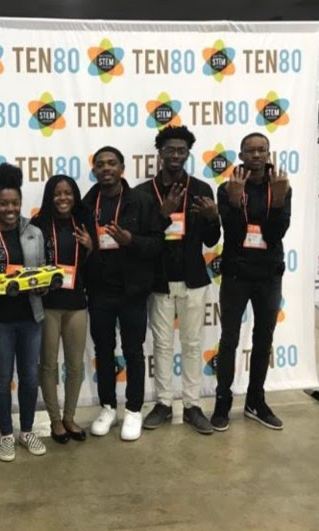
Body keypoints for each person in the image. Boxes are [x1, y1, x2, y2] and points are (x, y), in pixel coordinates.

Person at [137, 126, 221, 435]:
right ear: (159, 153)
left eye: (181, 150)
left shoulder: (201, 189)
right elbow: (142, 239)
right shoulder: (143, 193)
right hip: (158, 280)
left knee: (192, 343)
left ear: (187, 153)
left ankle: (191, 405)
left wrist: (213, 217)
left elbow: (212, 241)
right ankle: (162, 402)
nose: (175, 155)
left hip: (193, 279)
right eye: (170, 150)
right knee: (160, 344)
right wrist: (163, 214)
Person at [82, 146, 164, 441]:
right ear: (94, 171)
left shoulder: (141, 202)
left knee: (133, 351)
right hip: (99, 290)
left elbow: (157, 244)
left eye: (111, 163)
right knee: (103, 351)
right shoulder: (87, 204)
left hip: (132, 291)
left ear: (121, 168)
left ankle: (133, 409)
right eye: (100, 164)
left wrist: (131, 240)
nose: (106, 168)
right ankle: (107, 406)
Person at [211, 132, 292, 431]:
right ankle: (223, 402)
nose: (256, 155)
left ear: (268, 154)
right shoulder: (228, 187)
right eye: (250, 150)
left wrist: (279, 202)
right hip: (236, 274)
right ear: (241, 155)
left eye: (262, 150)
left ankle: (256, 401)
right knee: (229, 339)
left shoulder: (281, 186)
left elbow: (274, 234)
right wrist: (233, 203)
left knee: (264, 339)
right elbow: (232, 235)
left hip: (269, 275)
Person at [0, 163, 47, 461]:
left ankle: (27, 431)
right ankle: (5, 435)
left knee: (29, 376)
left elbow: (40, 273)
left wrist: (42, 286)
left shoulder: (34, 233)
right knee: (2, 378)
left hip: (31, 317)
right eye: (3, 203)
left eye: (15, 202)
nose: (10, 208)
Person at [31, 175, 94, 444]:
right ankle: (55, 420)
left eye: (68, 192)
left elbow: (94, 266)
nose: (63, 198)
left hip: (76, 303)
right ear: (49, 196)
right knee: (47, 365)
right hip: (47, 305)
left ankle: (70, 417)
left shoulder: (83, 222)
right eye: (57, 193)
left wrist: (91, 247)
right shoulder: (37, 225)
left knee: (75, 364)